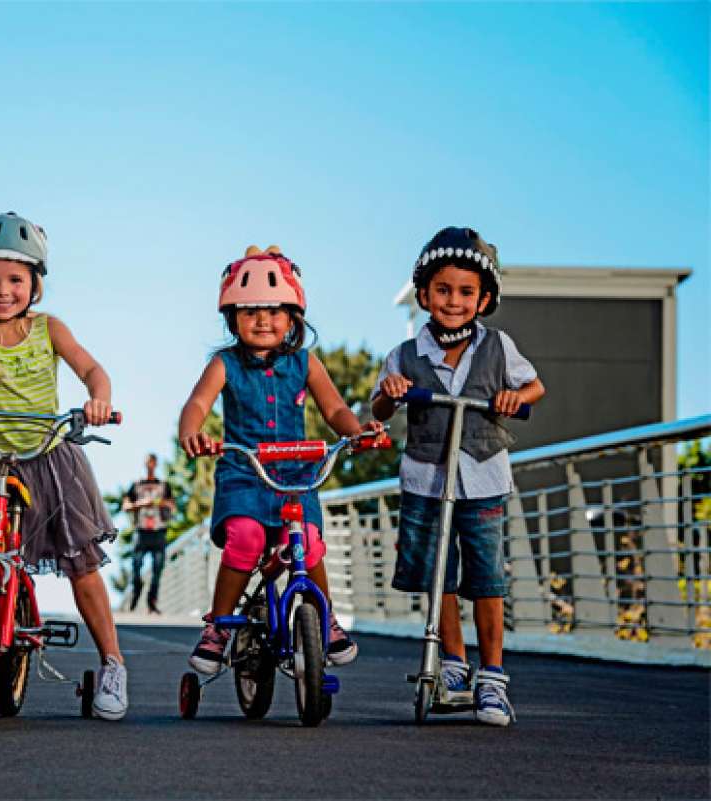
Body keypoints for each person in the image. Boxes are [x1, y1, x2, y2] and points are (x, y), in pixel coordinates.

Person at [0, 212, 128, 722]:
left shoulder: (50, 328)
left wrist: (98, 398)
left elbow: (91, 368)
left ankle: (113, 665)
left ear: (35, 284)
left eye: (15, 279)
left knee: (82, 564)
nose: (3, 290)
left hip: (49, 459)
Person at [178, 245, 382, 675]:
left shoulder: (305, 363)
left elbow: (336, 411)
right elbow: (197, 404)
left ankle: (323, 621)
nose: (263, 320)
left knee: (306, 542)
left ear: (293, 318)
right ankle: (218, 626)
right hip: (244, 474)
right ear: (232, 319)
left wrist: (356, 433)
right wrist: (192, 434)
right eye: (249, 311)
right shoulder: (224, 364)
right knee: (247, 539)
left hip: (295, 474)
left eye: (274, 310)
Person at [370, 226, 545, 727]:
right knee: (437, 575)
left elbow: (535, 387)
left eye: (466, 292)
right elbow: (379, 409)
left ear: (483, 298)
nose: (453, 301)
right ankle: (451, 663)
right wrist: (391, 391)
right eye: (443, 290)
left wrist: (515, 398)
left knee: (487, 578)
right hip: (426, 478)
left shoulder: (497, 347)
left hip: (484, 476)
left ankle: (492, 677)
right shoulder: (404, 355)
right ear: (424, 294)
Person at [123, 454, 176, 614]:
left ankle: (152, 601)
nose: (150, 466)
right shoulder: (136, 485)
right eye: (148, 463)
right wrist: (141, 504)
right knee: (136, 567)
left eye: (152, 463)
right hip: (141, 531)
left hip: (158, 531)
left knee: (157, 569)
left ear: (156, 464)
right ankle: (137, 589)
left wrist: (161, 504)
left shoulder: (164, 485)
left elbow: (172, 506)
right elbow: (126, 505)